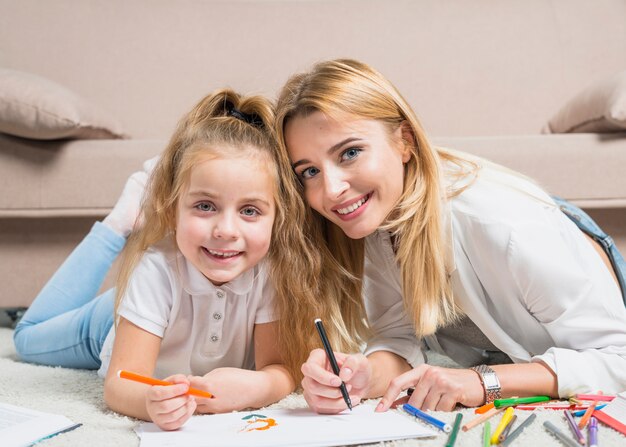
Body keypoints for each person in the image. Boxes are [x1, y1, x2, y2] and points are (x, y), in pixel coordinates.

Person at [273, 59, 626, 414]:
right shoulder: (379, 216)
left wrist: (481, 381)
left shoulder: (506, 226)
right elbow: (398, 334)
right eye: (309, 171)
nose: (331, 190)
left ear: (405, 141)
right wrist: (364, 376)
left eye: (350, 153)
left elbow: (618, 358)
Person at [13, 88, 316, 430]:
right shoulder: (154, 270)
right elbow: (120, 385)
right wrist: (149, 402)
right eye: (205, 206)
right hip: (115, 320)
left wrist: (258, 386)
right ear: (172, 209)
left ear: (278, 217)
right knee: (25, 340)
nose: (225, 230)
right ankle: (120, 221)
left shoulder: (269, 270)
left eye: (249, 210)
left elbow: (279, 369)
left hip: (161, 309)